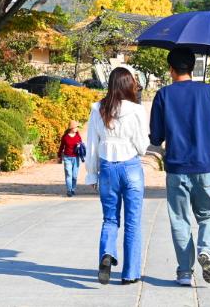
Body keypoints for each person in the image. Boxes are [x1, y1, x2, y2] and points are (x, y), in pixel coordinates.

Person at [149, 47, 210, 287]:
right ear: (192, 68)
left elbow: (156, 137)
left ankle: (185, 272)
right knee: (209, 215)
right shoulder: (209, 92)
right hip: (205, 166)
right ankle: (207, 251)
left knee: (180, 220)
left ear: (171, 69)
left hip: (176, 167)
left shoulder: (163, 95)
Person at [84, 67, 149, 286]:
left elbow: (92, 144)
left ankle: (107, 253)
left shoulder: (98, 108)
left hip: (107, 169)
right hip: (130, 167)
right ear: (128, 85)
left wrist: (92, 174)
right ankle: (130, 273)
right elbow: (142, 146)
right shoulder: (137, 110)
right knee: (133, 223)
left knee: (110, 219)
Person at [58, 121, 84, 197]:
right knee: (69, 174)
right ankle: (69, 190)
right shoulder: (65, 137)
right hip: (67, 158)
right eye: (76, 127)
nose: (77, 128)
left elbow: (81, 145)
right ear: (72, 128)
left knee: (74, 176)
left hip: (76, 158)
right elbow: (61, 147)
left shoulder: (78, 136)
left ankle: (73, 189)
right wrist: (59, 155)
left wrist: (81, 149)